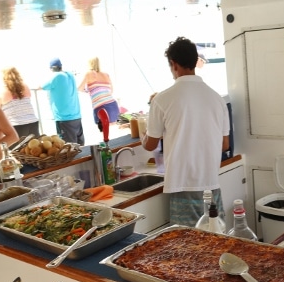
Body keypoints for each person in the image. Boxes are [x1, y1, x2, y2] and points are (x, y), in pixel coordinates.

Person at [141, 37, 230, 227]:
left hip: (183, 184)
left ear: (173, 64)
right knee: (217, 238)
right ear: (195, 61)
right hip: (211, 183)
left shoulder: (161, 100)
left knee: (188, 246)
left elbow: (150, 144)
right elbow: (225, 145)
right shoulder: (217, 98)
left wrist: (144, 133)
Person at [40, 58, 85, 145]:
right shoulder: (70, 75)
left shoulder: (56, 76)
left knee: (68, 148)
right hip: (76, 116)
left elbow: (42, 86)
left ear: (51, 68)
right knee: (80, 146)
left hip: (64, 119)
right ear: (61, 66)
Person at [77, 56, 120, 132]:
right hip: (113, 105)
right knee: (115, 134)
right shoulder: (106, 74)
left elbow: (80, 88)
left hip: (101, 107)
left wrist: (88, 90)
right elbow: (111, 90)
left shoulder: (89, 74)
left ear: (89, 64)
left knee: (104, 135)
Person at [0, 66, 40, 137]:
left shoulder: (1, 91)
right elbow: (28, 96)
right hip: (32, 122)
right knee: (34, 147)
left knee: (16, 148)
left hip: (16, 126)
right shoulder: (25, 86)